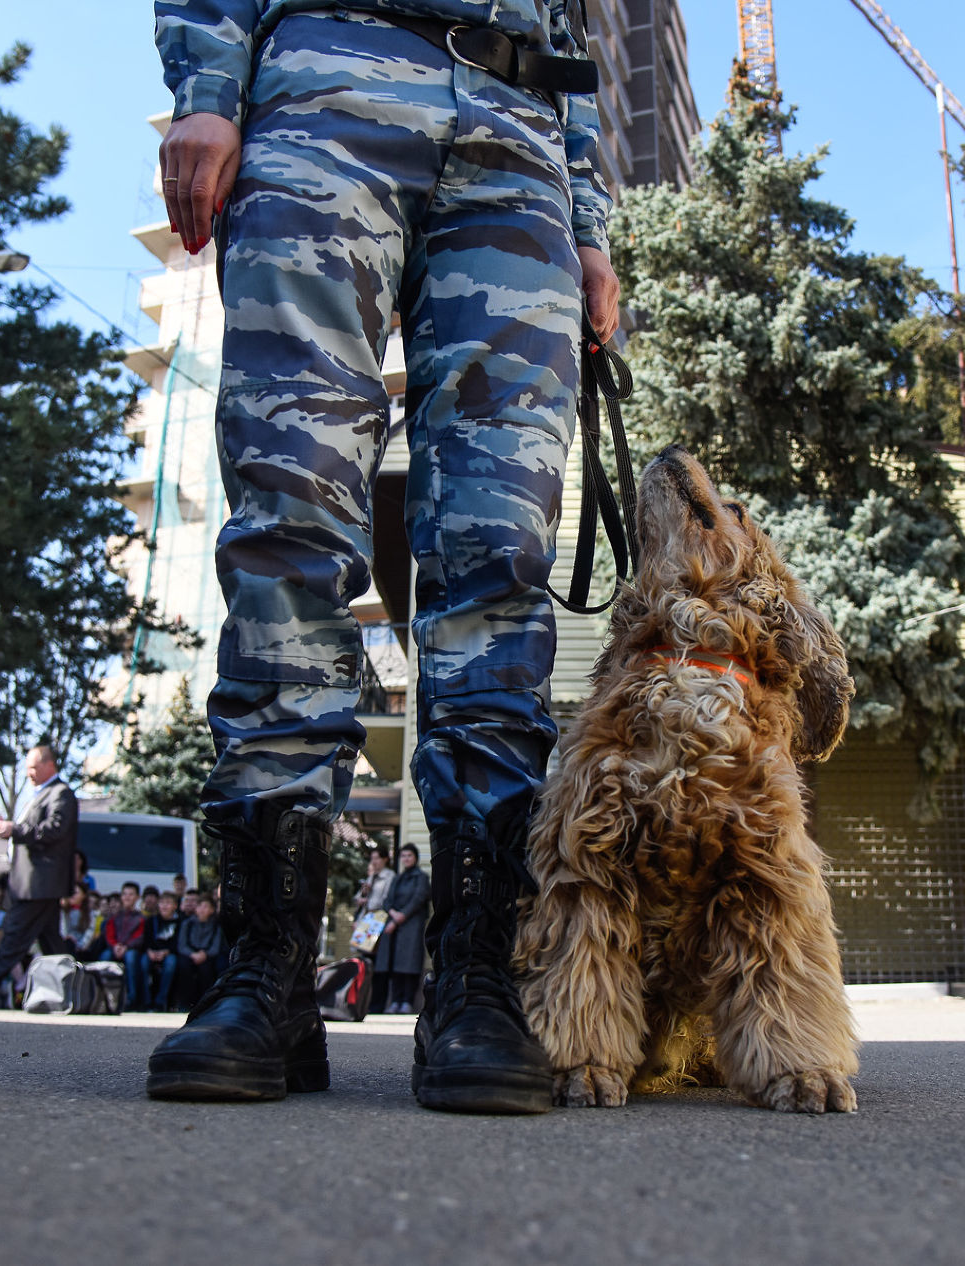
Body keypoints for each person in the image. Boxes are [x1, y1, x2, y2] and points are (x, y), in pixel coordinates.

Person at [145, 0, 616, 1115]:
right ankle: (265, 973)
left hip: (519, 137)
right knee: (291, 520)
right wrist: (208, 90)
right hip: (327, 86)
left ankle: (476, 978)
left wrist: (590, 219)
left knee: (500, 552)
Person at [0, 743, 78, 1008]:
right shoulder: (41, 795)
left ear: (49, 765)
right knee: (52, 944)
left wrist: (13, 829)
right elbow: (26, 830)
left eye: (33, 767)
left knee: (14, 938)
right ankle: (72, 991)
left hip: (39, 884)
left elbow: (54, 829)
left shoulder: (60, 793)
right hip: (35, 884)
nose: (29, 773)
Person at [371, 845, 430, 1014]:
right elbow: (387, 900)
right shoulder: (398, 878)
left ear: (415, 857)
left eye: (409, 855)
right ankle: (395, 1000)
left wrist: (402, 916)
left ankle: (407, 1001)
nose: (406, 859)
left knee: (410, 964)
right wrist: (393, 914)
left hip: (412, 926)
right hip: (395, 927)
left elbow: (419, 898)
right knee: (394, 965)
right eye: (403, 856)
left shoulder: (421, 877)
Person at [132, 890, 186, 1012]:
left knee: (171, 964)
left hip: (170, 953)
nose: (164, 906)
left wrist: (166, 952)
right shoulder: (151, 920)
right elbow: (146, 940)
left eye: (168, 903)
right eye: (162, 903)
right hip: (152, 952)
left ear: (175, 906)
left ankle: (161, 1001)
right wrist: (150, 951)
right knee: (143, 963)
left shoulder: (180, 922)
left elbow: (179, 941)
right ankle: (146, 1001)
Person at [175, 891, 225, 1009]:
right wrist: (193, 954)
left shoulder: (216, 925)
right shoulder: (187, 923)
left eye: (206, 906)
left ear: (212, 910)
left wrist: (205, 954)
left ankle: (205, 1003)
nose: (202, 909)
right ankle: (184, 1003)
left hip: (207, 955)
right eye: (200, 906)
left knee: (206, 970)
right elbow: (182, 945)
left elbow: (215, 946)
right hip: (189, 954)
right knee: (183, 967)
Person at [103, 882, 146, 964]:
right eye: (124, 894)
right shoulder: (114, 916)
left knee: (130, 957)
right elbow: (109, 934)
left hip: (132, 949)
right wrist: (115, 945)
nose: (127, 897)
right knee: (106, 955)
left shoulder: (141, 918)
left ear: (138, 897)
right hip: (114, 947)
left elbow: (139, 937)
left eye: (131, 894)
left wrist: (126, 947)